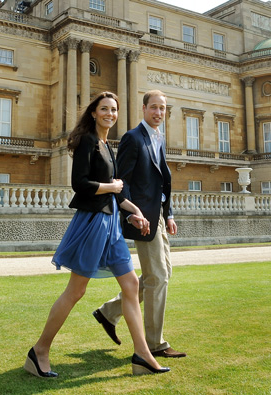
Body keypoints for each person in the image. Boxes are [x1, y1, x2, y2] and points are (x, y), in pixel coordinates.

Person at [23, 92, 170, 378]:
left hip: (112, 222)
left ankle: (142, 354)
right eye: (104, 109)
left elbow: (115, 192)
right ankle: (39, 351)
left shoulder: (107, 145)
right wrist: (112, 188)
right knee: (76, 290)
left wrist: (133, 212)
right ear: (93, 112)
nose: (110, 114)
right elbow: (80, 184)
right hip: (93, 223)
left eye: (114, 110)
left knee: (130, 285)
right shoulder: (88, 141)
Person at [93, 90, 186, 359]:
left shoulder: (159, 138)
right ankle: (155, 344)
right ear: (144, 109)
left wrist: (169, 214)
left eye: (163, 109)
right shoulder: (133, 138)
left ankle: (108, 312)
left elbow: (161, 182)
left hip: (158, 215)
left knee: (160, 274)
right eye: (154, 108)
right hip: (142, 218)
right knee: (158, 277)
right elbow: (123, 182)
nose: (159, 113)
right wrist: (132, 213)